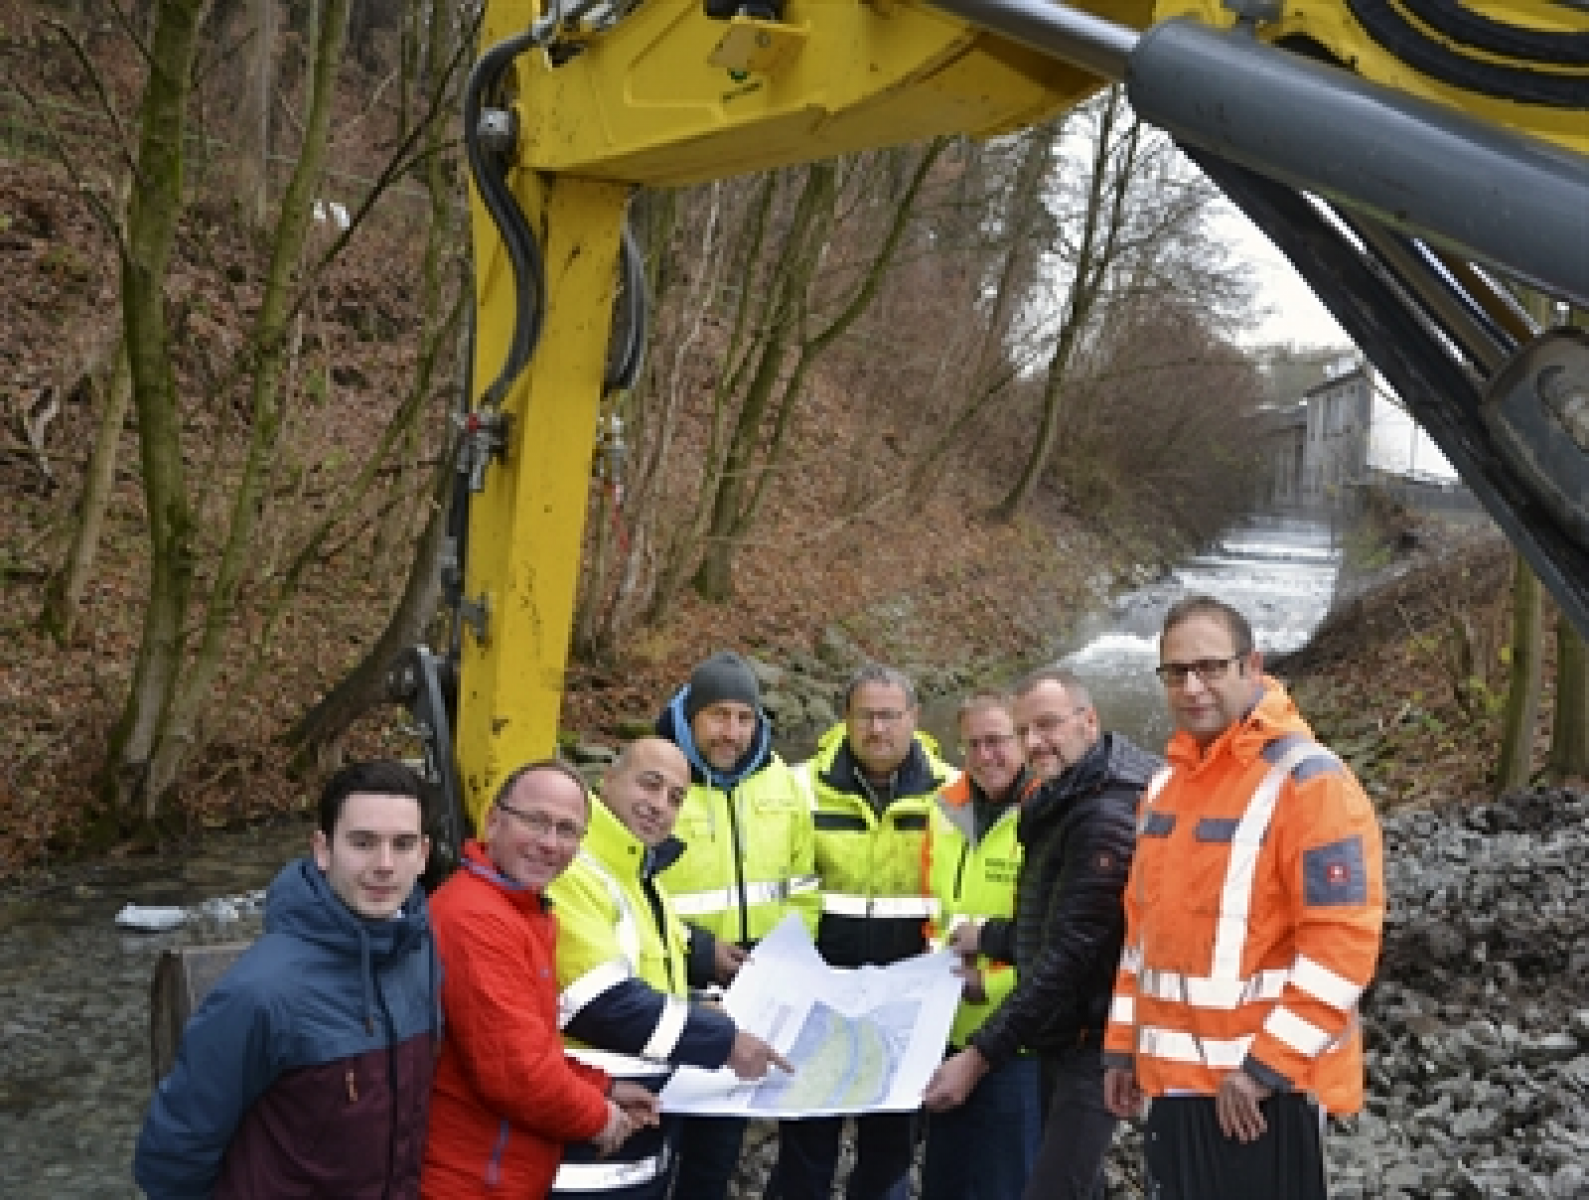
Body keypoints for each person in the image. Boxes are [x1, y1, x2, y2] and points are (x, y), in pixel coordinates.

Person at [1102, 594, 1385, 1200]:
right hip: (1174, 1085)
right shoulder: (1165, 787)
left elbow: (1342, 947)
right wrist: (1123, 1049)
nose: (1192, 687)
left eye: (1210, 668)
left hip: (1260, 1095)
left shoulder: (1310, 784)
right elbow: (1141, 940)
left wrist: (1267, 1067)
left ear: (1251, 666)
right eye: (1176, 672)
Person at [134, 760, 441, 1199]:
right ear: (323, 849)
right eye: (363, 843)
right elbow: (176, 1151)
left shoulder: (421, 955)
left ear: (424, 855)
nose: (385, 864)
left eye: (403, 844)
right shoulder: (259, 993)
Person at [924, 667, 1162, 1200]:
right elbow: (1056, 925)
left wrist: (980, 1055)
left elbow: (1073, 952)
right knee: (1079, 1182)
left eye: (1047, 726)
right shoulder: (1063, 794)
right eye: (1025, 728)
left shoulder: (1102, 811)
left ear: (1089, 721)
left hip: (1096, 1037)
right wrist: (988, 938)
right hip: (1064, 1030)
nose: (1035, 742)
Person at [549, 736, 794, 1199]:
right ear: (608, 780)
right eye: (650, 784)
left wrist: (708, 1002)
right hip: (587, 1138)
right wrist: (722, 1039)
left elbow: (658, 979)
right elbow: (599, 1002)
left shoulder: (641, 879)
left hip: (635, 1122)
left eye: (675, 797)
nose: (659, 805)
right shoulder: (575, 869)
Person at [422, 759, 660, 1198]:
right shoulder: (475, 918)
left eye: (567, 831)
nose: (549, 843)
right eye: (535, 822)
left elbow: (531, 1047)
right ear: (494, 821)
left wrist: (605, 1085)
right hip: (472, 1178)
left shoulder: (519, 907)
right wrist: (599, 1116)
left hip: (500, 1170)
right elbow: (516, 1074)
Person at [771, 663, 956, 1200]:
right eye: (866, 716)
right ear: (845, 720)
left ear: (915, 718)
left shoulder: (953, 795)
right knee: (806, 1143)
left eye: (890, 716)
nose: (878, 730)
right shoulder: (801, 786)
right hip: (818, 996)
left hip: (908, 1000)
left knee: (890, 1148)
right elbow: (785, 885)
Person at [655, 650, 820, 1200]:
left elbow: (804, 886)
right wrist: (697, 952)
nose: (732, 733)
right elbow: (627, 898)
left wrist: (785, 966)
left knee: (715, 1158)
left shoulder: (783, 786)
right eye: (718, 716)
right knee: (651, 1151)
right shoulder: (658, 783)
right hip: (668, 996)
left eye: (744, 718)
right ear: (691, 715)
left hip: (749, 998)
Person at [918, 692, 1042, 1200]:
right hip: (947, 1028)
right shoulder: (945, 809)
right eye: (973, 744)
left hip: (1017, 1038)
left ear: (1024, 740)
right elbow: (930, 913)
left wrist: (987, 983)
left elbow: (1054, 942)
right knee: (945, 1178)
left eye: (997, 741)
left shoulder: (1047, 811)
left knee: (1007, 1182)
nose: (986, 755)